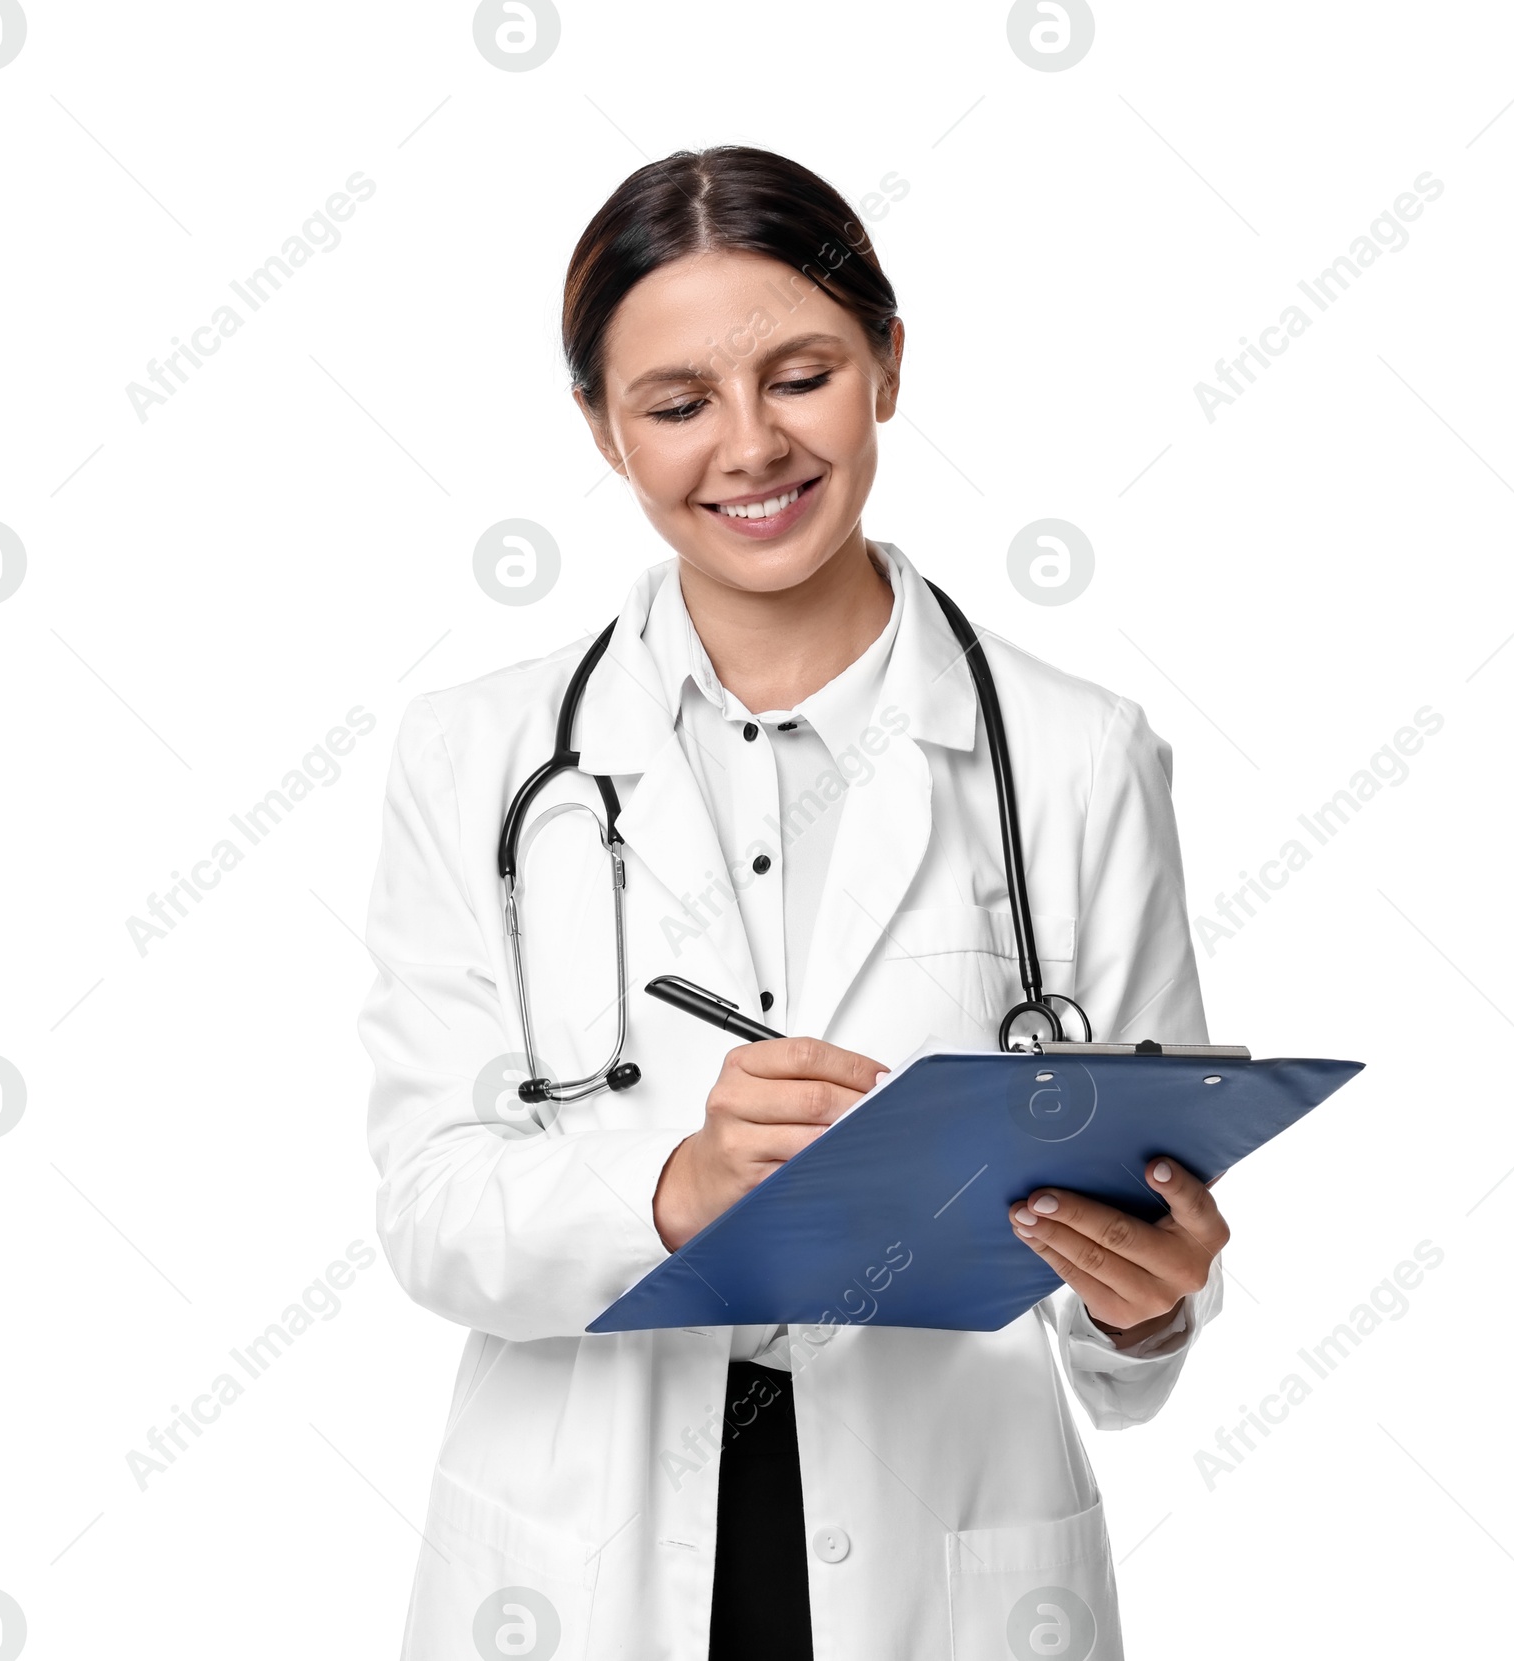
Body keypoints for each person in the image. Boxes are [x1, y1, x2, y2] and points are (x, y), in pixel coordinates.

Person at [358, 144, 1229, 1661]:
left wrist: (1145, 1303)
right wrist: (673, 1189)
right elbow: (431, 1210)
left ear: (888, 363)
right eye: (678, 403)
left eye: (803, 374)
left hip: (947, 1564)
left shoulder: (1079, 758)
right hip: (578, 1568)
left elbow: (1136, 1234)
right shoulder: (475, 756)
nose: (749, 447)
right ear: (600, 429)